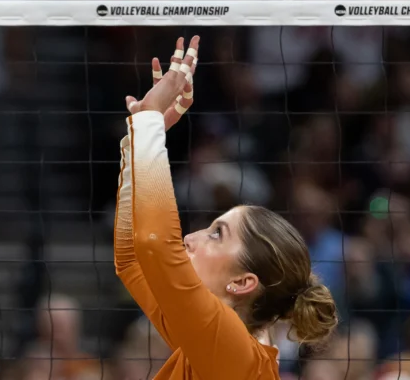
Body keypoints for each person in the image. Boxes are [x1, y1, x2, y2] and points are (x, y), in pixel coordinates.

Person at [116, 36, 338, 379]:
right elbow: (134, 258)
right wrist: (138, 142)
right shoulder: (208, 341)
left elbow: (155, 244)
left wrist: (150, 125)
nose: (191, 237)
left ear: (242, 282)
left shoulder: (238, 358)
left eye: (217, 234)